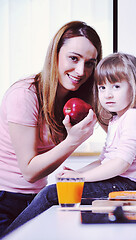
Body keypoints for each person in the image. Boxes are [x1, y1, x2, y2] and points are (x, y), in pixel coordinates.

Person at [3, 52, 136, 235]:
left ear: (135, 86)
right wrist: (77, 173)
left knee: (52, 193)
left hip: (130, 187)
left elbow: (120, 164)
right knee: (57, 193)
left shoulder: (135, 117)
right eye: (102, 88)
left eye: (116, 86)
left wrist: (80, 179)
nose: (108, 94)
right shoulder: (118, 120)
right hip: (121, 183)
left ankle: (11, 236)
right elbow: (104, 161)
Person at [0, 21, 102, 237]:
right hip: (5, 200)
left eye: (90, 63)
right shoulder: (25, 94)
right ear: (55, 54)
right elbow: (29, 171)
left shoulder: (75, 99)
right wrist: (73, 140)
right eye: (73, 58)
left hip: (34, 198)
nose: (81, 70)